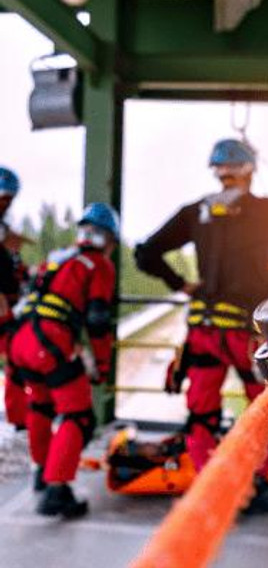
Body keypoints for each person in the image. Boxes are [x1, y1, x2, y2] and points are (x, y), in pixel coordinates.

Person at [136, 139, 268, 514]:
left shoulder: (196, 212)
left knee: (202, 412)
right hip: (245, 332)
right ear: (251, 171)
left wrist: (182, 285)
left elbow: (145, 253)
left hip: (203, 329)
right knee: (265, 406)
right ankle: (257, 484)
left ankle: (212, 490)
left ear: (217, 172)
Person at [9, 203, 119, 518]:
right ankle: (57, 490)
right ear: (107, 238)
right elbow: (97, 320)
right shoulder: (98, 264)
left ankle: (41, 475)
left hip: (24, 340)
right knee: (79, 416)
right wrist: (101, 365)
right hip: (51, 343)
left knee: (41, 407)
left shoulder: (57, 259)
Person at [0, 166, 29, 429]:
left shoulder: (5, 231)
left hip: (9, 305)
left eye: (10, 200)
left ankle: (19, 415)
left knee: (17, 357)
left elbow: (12, 265)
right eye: (4, 199)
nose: (7, 205)